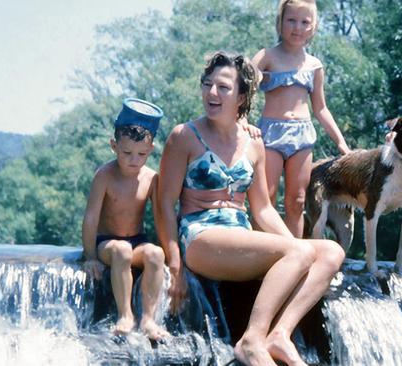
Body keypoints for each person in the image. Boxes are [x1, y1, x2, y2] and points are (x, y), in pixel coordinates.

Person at [156, 51, 345, 366]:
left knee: (330, 252)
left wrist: (296, 246)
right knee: (297, 254)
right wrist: (175, 267)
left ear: (242, 96)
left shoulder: (255, 143)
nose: (211, 93)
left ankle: (279, 334)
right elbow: (164, 203)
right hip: (201, 237)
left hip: (239, 235)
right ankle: (252, 340)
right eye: (207, 84)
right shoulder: (184, 136)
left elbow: (263, 210)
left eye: (223, 87)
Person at [251, 0, 350, 238]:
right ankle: (258, 257)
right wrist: (241, 124)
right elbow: (242, 90)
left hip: (302, 136)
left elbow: (321, 109)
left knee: (297, 201)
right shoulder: (266, 57)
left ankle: (292, 255)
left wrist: (341, 143)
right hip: (270, 135)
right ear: (280, 22)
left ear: (314, 26)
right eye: (291, 20)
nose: (297, 27)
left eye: (305, 22)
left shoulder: (314, 65)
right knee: (267, 198)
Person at [82, 98, 169, 340]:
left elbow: (161, 218)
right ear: (114, 146)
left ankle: (149, 319)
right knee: (121, 250)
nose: (134, 160)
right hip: (107, 243)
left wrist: (172, 255)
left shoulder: (152, 178)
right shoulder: (104, 175)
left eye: (141, 154)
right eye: (126, 153)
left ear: (150, 150)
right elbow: (91, 217)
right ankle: (125, 315)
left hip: (137, 241)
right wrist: (89, 256)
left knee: (155, 254)